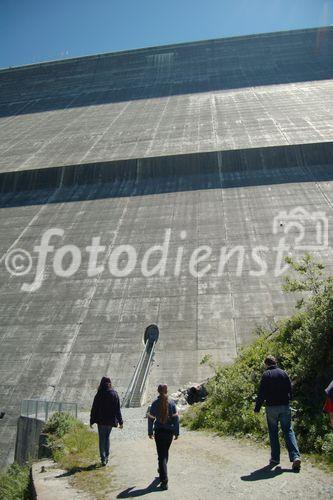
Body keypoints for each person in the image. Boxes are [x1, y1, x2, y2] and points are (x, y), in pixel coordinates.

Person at [254, 355, 301, 471]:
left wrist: (257, 408)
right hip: (285, 406)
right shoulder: (284, 373)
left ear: (266, 364)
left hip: (271, 408)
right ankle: (295, 457)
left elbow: (262, 393)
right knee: (288, 430)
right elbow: (290, 389)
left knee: (273, 432)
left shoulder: (266, 375)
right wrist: (289, 400)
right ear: (275, 363)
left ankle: (275, 459)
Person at [147, 384, 179, 490]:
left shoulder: (155, 403)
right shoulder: (172, 403)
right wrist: (176, 432)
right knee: (164, 454)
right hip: (169, 433)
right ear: (166, 390)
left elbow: (151, 419)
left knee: (161, 455)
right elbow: (176, 419)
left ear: (158, 391)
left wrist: (150, 431)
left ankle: (164, 481)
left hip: (159, 433)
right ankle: (162, 470)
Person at [90, 377, 123, 466]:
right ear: (110, 383)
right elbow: (117, 409)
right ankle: (107, 456)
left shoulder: (99, 394)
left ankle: (103, 458)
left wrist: (91, 420)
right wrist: (121, 422)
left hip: (101, 421)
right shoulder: (114, 394)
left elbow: (94, 408)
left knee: (102, 438)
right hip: (110, 421)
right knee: (107, 437)